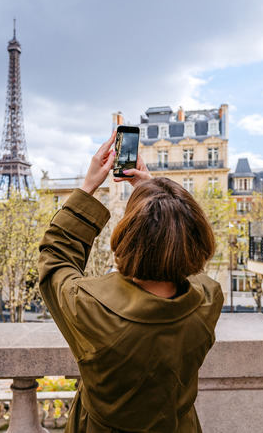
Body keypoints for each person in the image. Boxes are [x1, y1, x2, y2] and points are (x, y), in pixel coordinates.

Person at [38, 131, 223, 432]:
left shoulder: (90, 306)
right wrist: (153, 193)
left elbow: (55, 260)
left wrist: (88, 189)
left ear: (129, 237)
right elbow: (192, 260)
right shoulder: (208, 300)